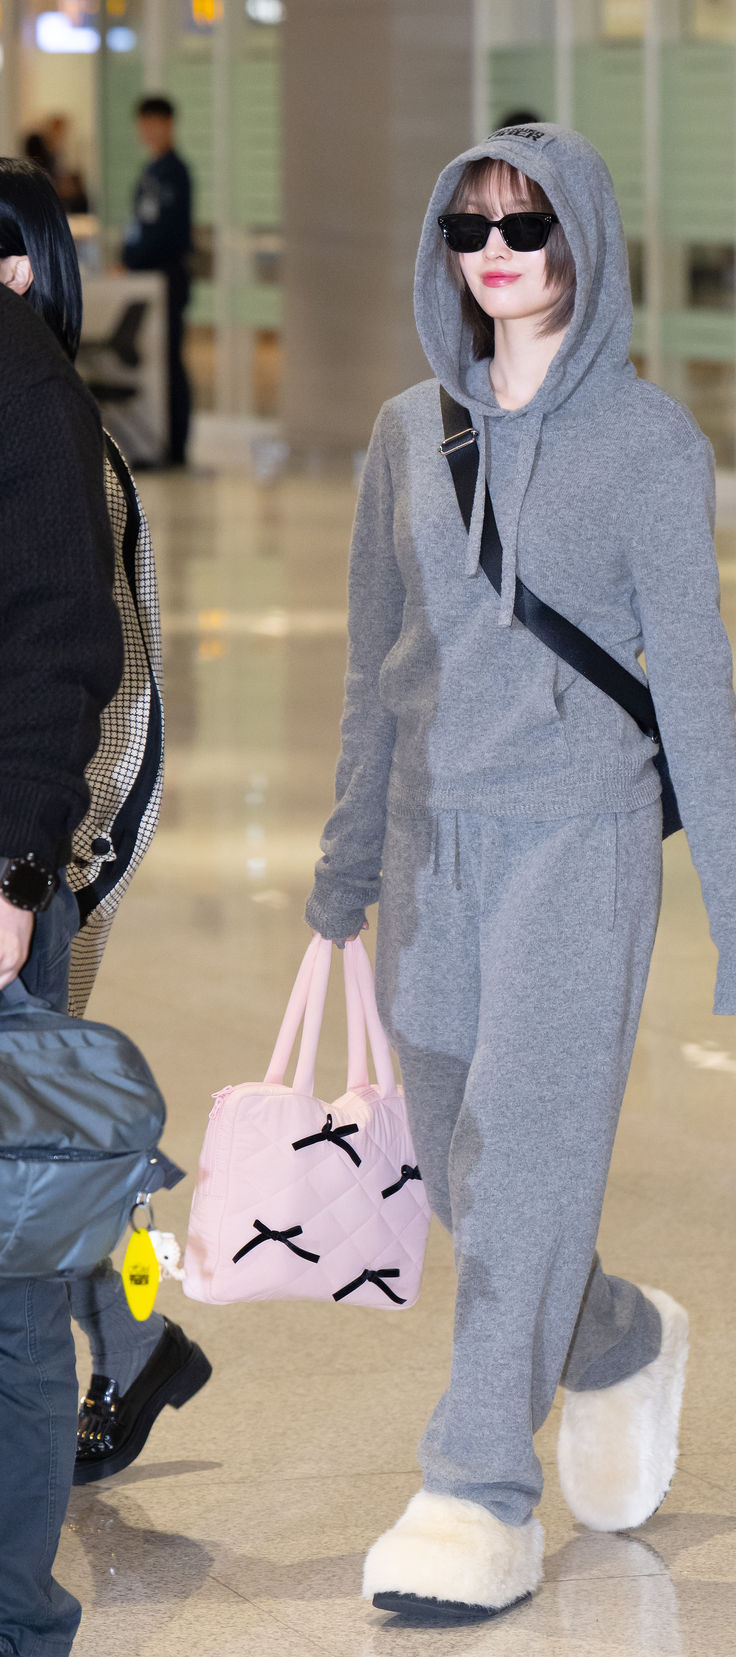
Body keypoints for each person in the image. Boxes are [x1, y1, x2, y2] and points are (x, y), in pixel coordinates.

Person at [306, 124, 736, 1622]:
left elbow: (693, 684)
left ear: (584, 241)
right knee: (462, 1168)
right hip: (429, 849)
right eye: (471, 229)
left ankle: (476, 1494)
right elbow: (373, 670)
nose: (498, 254)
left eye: (529, 226)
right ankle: (621, 1336)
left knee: (521, 1164)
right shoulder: (405, 432)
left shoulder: (650, 444)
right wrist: (342, 875)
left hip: (579, 842)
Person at [0, 158, 210, 1506]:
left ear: (25, 270)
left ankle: (133, 1346)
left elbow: (112, 681)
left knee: (53, 1143)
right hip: (45, 842)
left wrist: (57, 868)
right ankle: (138, 1346)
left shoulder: (59, 430)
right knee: (42, 1143)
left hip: (53, 845)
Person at [0, 273, 123, 1657]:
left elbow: (59, 638)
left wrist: (12, 865)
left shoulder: (19, 379)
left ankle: (18, 1625)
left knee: (10, 1298)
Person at [122, 95, 192, 467]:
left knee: (170, 362)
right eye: (144, 123)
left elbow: (166, 233)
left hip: (166, 278)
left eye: (155, 122)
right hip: (145, 277)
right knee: (158, 361)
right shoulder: (150, 172)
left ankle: (175, 447)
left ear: (168, 125)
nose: (149, 130)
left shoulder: (175, 174)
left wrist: (133, 258)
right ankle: (156, 442)